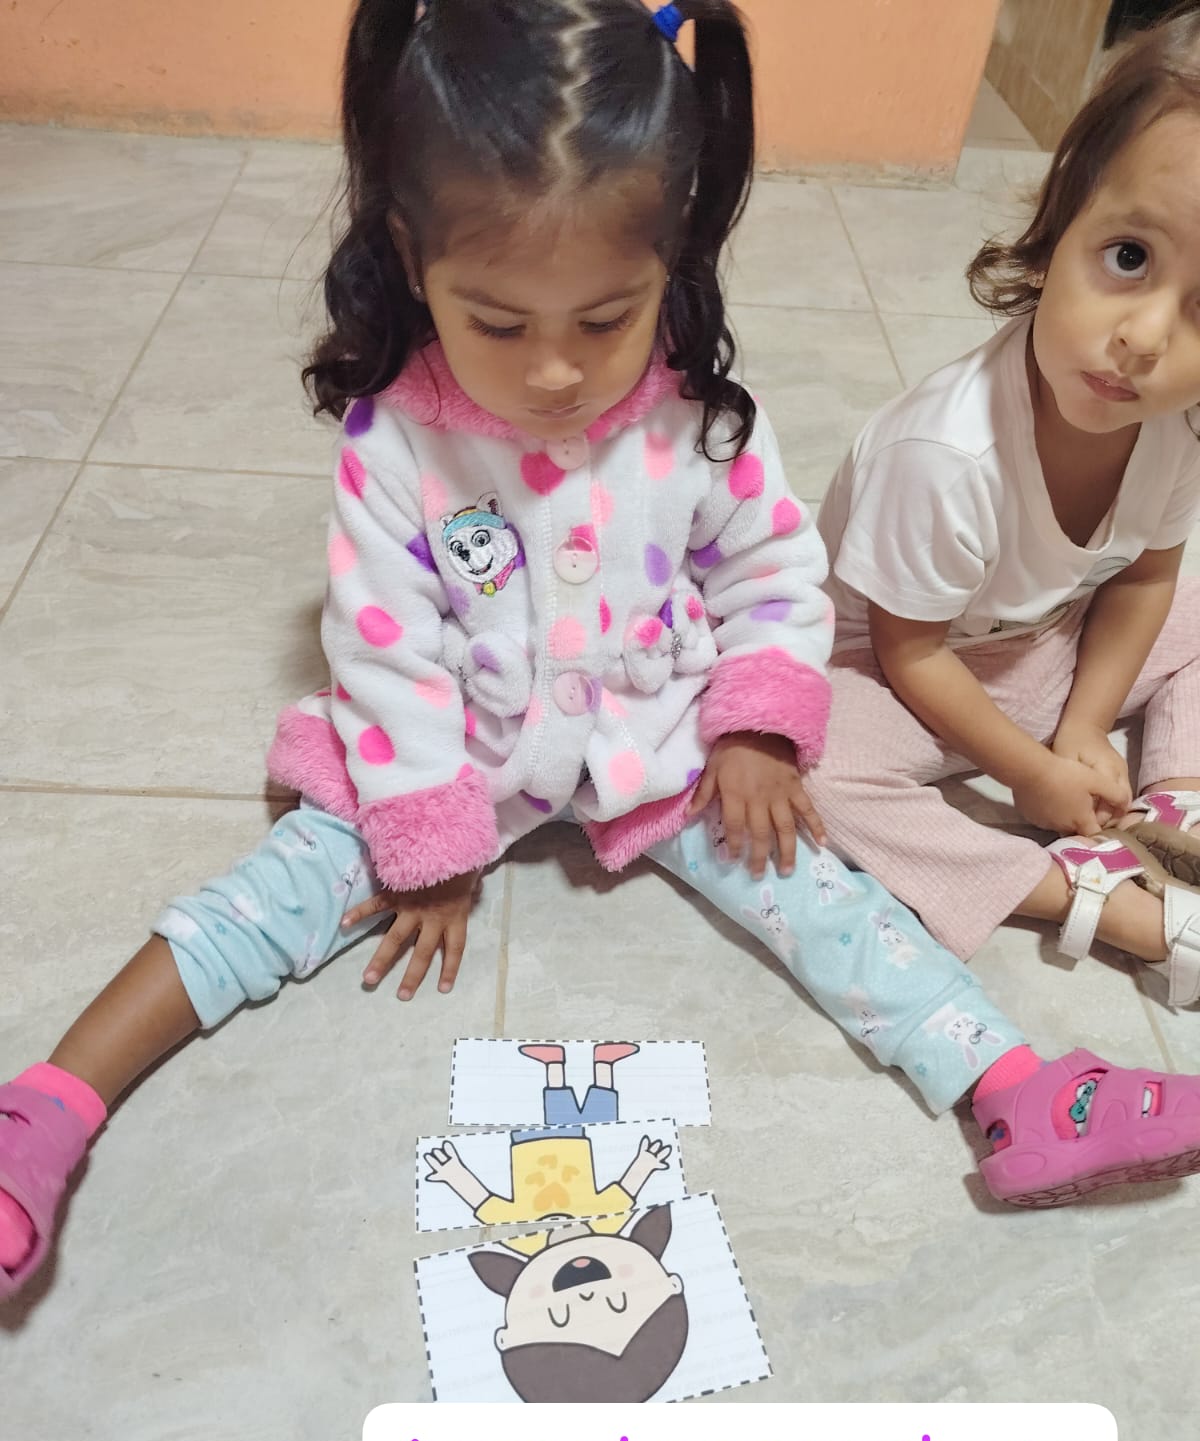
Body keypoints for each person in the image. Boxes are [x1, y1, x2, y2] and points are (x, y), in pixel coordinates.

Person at [3, 0, 1199, 1308]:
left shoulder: (699, 409)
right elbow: (388, 657)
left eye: (606, 319)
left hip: (659, 733)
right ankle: (46, 1108)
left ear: (670, 260)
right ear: (410, 256)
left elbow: (772, 570)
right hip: (458, 750)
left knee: (821, 887)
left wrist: (756, 723)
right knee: (274, 896)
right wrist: (428, 841)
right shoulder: (396, 444)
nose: (557, 374)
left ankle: (1019, 1088)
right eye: (499, 324)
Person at [807, 11, 1200, 1014]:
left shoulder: (1173, 426)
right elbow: (909, 650)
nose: (1145, 338)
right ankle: (1095, 902)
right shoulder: (943, 455)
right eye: (1128, 257)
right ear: (1061, 221)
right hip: (897, 670)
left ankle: (1175, 814)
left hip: (1042, 644)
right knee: (809, 764)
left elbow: (1147, 576)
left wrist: (1085, 727)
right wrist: (1030, 773)